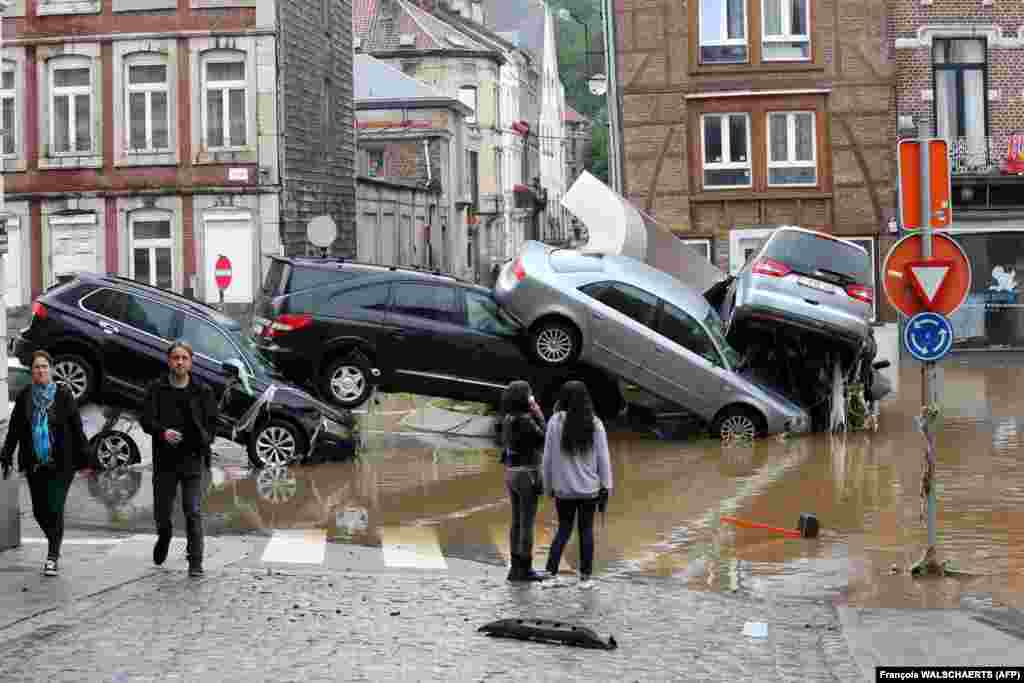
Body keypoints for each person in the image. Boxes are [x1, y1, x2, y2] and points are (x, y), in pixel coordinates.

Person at [1, 350, 89, 577]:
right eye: (36, 367)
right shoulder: (25, 396)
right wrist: (6, 453)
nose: (40, 370)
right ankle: (55, 540)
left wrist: (86, 456)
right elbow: (15, 429)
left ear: (51, 369)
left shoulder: (63, 395)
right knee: (40, 512)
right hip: (35, 463)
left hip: (62, 463)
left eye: (44, 366)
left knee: (55, 506)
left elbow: (77, 428)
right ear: (32, 372)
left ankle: (52, 555)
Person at [142, 341, 218, 578]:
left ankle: (195, 561)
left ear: (191, 362)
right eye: (175, 358)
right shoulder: (156, 388)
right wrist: (162, 433)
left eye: (184, 358)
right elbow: (145, 419)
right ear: (169, 361)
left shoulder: (202, 391)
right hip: (165, 460)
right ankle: (164, 537)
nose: (180, 362)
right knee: (162, 513)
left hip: (192, 459)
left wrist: (202, 438)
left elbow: (212, 425)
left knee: (192, 510)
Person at [542, 380, 613, 590]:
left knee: (563, 529)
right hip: (589, 489)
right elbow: (603, 458)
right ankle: (586, 578)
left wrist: (548, 486)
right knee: (586, 531)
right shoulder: (595, 423)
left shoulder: (555, 421)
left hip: (563, 489)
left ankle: (550, 575)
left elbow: (547, 458)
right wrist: (606, 485)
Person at [500, 380, 547, 583]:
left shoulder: (508, 418)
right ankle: (525, 568)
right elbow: (545, 437)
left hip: (512, 473)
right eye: (530, 394)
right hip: (528, 474)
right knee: (527, 522)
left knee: (516, 521)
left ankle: (515, 567)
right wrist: (538, 413)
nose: (533, 397)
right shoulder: (526, 419)